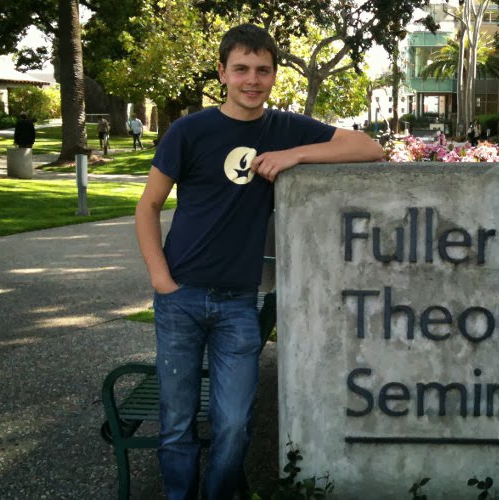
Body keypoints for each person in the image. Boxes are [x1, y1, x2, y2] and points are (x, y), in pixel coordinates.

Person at [134, 23, 383, 500]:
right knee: (177, 421)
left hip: (238, 304)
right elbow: (148, 206)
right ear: (222, 73)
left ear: (274, 76)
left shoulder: (284, 129)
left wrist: (294, 155)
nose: (252, 80)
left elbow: (370, 148)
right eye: (242, 69)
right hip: (180, 296)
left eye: (263, 70)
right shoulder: (189, 131)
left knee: (233, 422)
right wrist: (162, 280)